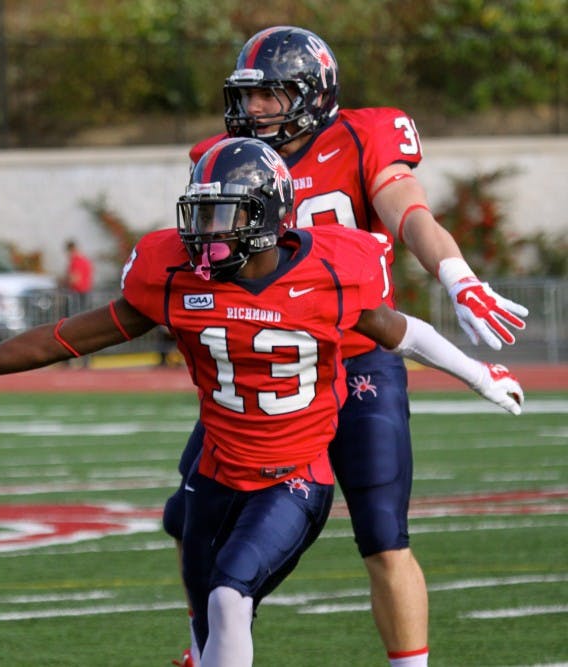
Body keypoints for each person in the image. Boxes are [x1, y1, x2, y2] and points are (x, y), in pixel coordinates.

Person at [0, 138, 524, 667]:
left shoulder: (327, 276)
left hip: (294, 477)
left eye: (227, 216)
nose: (205, 232)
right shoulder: (174, 276)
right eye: (201, 213)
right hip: (215, 476)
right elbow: (64, 338)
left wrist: (479, 375)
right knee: (206, 618)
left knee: (227, 597)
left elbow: (403, 332)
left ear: (269, 216)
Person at [166, 26, 531, 667]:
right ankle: (208, 647)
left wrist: (457, 276)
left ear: (313, 92)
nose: (252, 111)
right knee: (188, 517)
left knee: (384, 536)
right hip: (264, 368)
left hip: (358, 356)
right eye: (247, 97)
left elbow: (408, 210)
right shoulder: (224, 156)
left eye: (271, 96)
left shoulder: (364, 135)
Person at [63, 238, 94, 312]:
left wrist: (63, 282)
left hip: (78, 294)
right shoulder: (84, 260)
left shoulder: (76, 261)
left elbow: (75, 279)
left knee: (74, 317)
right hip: (85, 292)